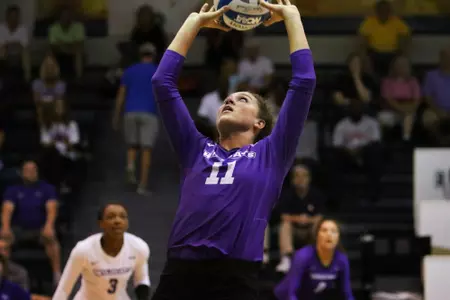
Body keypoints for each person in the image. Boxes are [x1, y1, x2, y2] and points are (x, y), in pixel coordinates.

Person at [151, 0, 316, 299]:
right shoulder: (194, 149)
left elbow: (304, 81)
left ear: (259, 124)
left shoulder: (272, 154)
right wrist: (194, 23)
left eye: (243, 100)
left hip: (235, 276)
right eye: (229, 98)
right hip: (181, 272)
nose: (230, 100)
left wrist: (292, 17)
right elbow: (162, 83)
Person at [53, 203, 151, 300]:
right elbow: (64, 289)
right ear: (101, 223)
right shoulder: (83, 250)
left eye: (122, 217)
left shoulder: (139, 247)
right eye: (111, 217)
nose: (117, 221)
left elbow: (141, 279)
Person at [1, 160, 61, 285]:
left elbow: (51, 208)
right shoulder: (13, 190)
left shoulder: (46, 188)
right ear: (22, 173)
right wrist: (5, 227)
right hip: (18, 229)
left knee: (52, 239)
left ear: (37, 172)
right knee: (2, 242)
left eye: (33, 170)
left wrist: (49, 226)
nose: (30, 173)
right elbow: (7, 209)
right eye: (27, 170)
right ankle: (4, 274)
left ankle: (57, 275)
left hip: (39, 229)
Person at [113, 43, 159, 195]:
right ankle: (142, 185)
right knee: (146, 149)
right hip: (149, 112)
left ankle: (130, 164)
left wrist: (116, 116)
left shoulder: (129, 71)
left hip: (130, 111)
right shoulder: (158, 71)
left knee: (132, 144)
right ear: (153, 55)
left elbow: (121, 95)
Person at [274, 219, 354, 300]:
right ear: (317, 235)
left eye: (333, 231)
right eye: (324, 230)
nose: (329, 234)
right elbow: (292, 294)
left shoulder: (342, 259)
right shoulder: (303, 256)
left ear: (338, 237)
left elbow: (347, 294)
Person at [275, 164, 326, 273]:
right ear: (293, 180)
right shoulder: (287, 194)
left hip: (309, 230)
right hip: (294, 230)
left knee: (319, 226)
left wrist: (307, 220)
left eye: (304, 176)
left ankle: (318, 259)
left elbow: (319, 217)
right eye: (297, 176)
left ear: (309, 179)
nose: (301, 179)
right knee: (285, 226)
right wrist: (300, 219)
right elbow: (284, 216)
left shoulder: (316, 194)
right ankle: (287, 259)